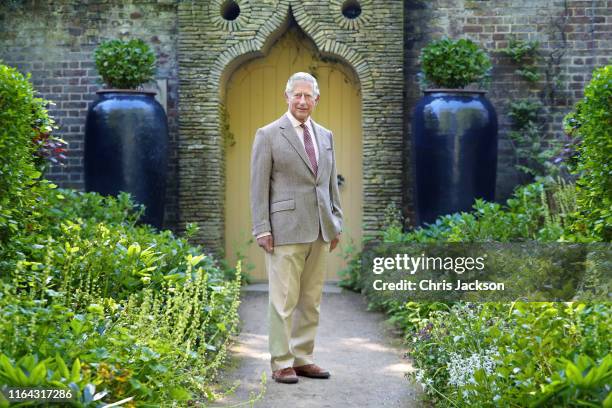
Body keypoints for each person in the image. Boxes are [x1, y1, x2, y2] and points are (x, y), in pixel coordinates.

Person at [250, 72, 343, 384]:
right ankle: (281, 361)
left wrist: (336, 222)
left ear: (316, 100)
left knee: (311, 300)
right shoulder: (268, 134)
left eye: (308, 96)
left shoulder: (326, 136)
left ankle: (303, 358)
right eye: (297, 95)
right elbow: (258, 186)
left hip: (319, 229)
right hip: (284, 229)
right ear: (286, 97)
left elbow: (330, 184)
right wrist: (262, 228)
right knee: (283, 300)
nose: (303, 101)